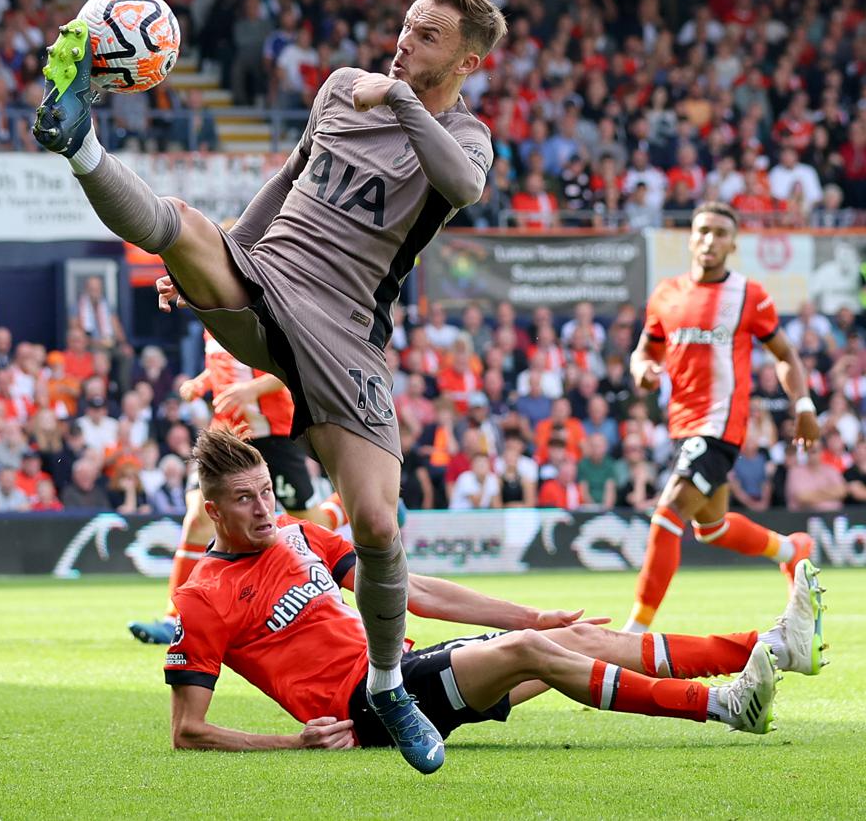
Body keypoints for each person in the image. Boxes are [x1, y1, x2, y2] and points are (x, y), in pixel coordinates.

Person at [34, 0, 508, 772]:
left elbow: (462, 186)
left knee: (379, 528)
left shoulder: (465, 137)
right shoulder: (338, 92)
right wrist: (213, 264)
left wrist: (394, 100)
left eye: (427, 36)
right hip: (269, 276)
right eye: (406, 24)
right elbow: (284, 183)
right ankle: (77, 138)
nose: (404, 41)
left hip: (346, 334)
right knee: (180, 225)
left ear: (467, 62)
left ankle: (388, 686)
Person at [164, 429, 825, 753]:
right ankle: (722, 706)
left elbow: (414, 589)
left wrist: (531, 612)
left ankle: (771, 645)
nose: (263, 509)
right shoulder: (203, 595)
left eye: (264, 493)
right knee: (540, 650)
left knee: (577, 635)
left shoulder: (302, 537)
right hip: (366, 708)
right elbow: (187, 731)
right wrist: (294, 742)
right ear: (213, 511)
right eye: (243, 500)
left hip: (403, 674)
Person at [623, 204, 818, 633]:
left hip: (720, 425)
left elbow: (785, 354)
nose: (710, 240)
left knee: (669, 511)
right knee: (710, 527)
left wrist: (803, 406)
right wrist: (642, 368)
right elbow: (646, 350)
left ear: (733, 244)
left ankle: (633, 635)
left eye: (720, 233)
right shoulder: (666, 294)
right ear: (691, 238)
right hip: (682, 425)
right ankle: (792, 549)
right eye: (703, 231)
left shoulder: (749, 295)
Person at [128, 330, 320, 645]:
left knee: (309, 523)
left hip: (273, 434)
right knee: (198, 518)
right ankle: (175, 619)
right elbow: (222, 363)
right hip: (227, 433)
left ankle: (353, 509)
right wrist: (200, 382)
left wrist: (251, 390)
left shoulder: (265, 309)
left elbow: (297, 365)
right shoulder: (211, 318)